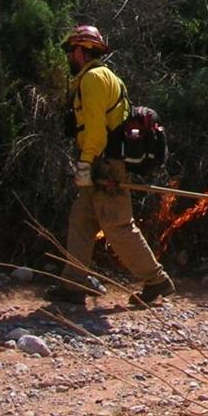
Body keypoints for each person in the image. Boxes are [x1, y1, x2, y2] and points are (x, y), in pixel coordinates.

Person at [45, 24, 174, 308]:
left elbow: (95, 132)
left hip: (104, 164)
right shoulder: (104, 76)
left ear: (80, 50)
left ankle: (156, 280)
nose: (69, 56)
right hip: (102, 161)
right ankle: (74, 282)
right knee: (81, 219)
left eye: (70, 51)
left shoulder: (92, 79)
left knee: (117, 225)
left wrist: (85, 164)